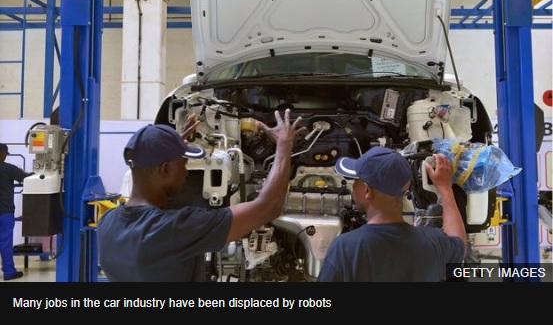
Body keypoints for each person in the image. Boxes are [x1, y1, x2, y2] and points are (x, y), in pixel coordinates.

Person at [97, 109, 305, 281]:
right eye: (183, 163)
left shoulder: (107, 223)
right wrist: (284, 145)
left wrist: (171, 144)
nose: (186, 172)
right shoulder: (174, 229)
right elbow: (268, 207)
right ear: (165, 169)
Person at [317, 146, 467, 282]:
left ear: (367, 190)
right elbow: (459, 245)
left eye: (356, 181)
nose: (353, 186)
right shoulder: (432, 244)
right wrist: (445, 188)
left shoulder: (344, 248)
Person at [0, 143, 33, 281]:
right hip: (4, 212)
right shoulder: (8, 168)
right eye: (5, 154)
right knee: (5, 243)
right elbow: (26, 178)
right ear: (2, 153)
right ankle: (9, 272)